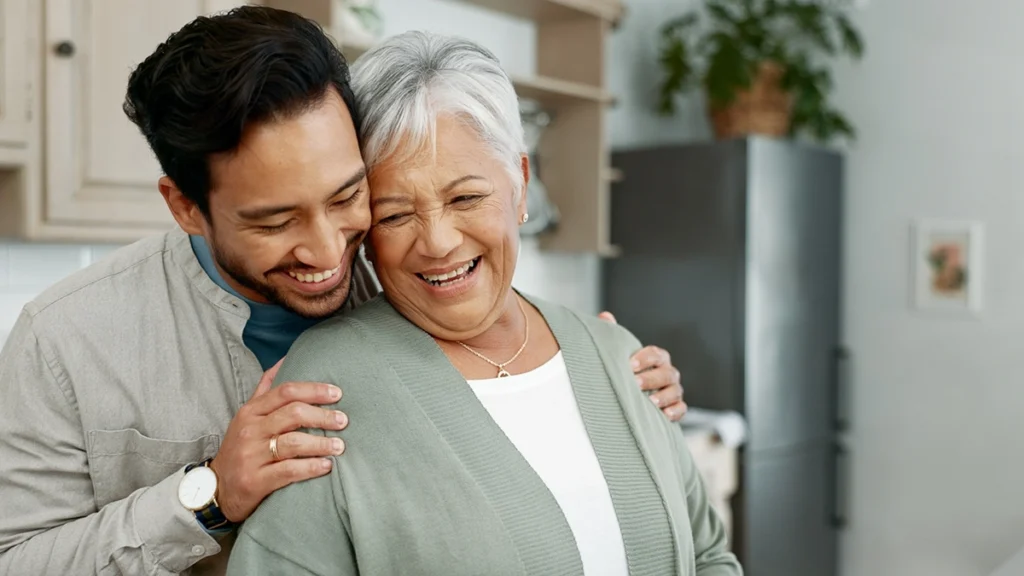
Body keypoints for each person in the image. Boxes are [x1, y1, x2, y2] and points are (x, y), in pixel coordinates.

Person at [0, 6, 686, 575]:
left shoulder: (411, 276)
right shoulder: (68, 340)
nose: (330, 252)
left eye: (350, 197)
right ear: (184, 207)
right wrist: (208, 495)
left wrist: (596, 380)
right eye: (274, 220)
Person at [226, 31, 742, 576]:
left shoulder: (619, 353)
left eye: (466, 197)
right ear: (366, 234)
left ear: (519, 185)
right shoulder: (325, 387)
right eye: (396, 214)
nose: (439, 241)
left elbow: (709, 555)